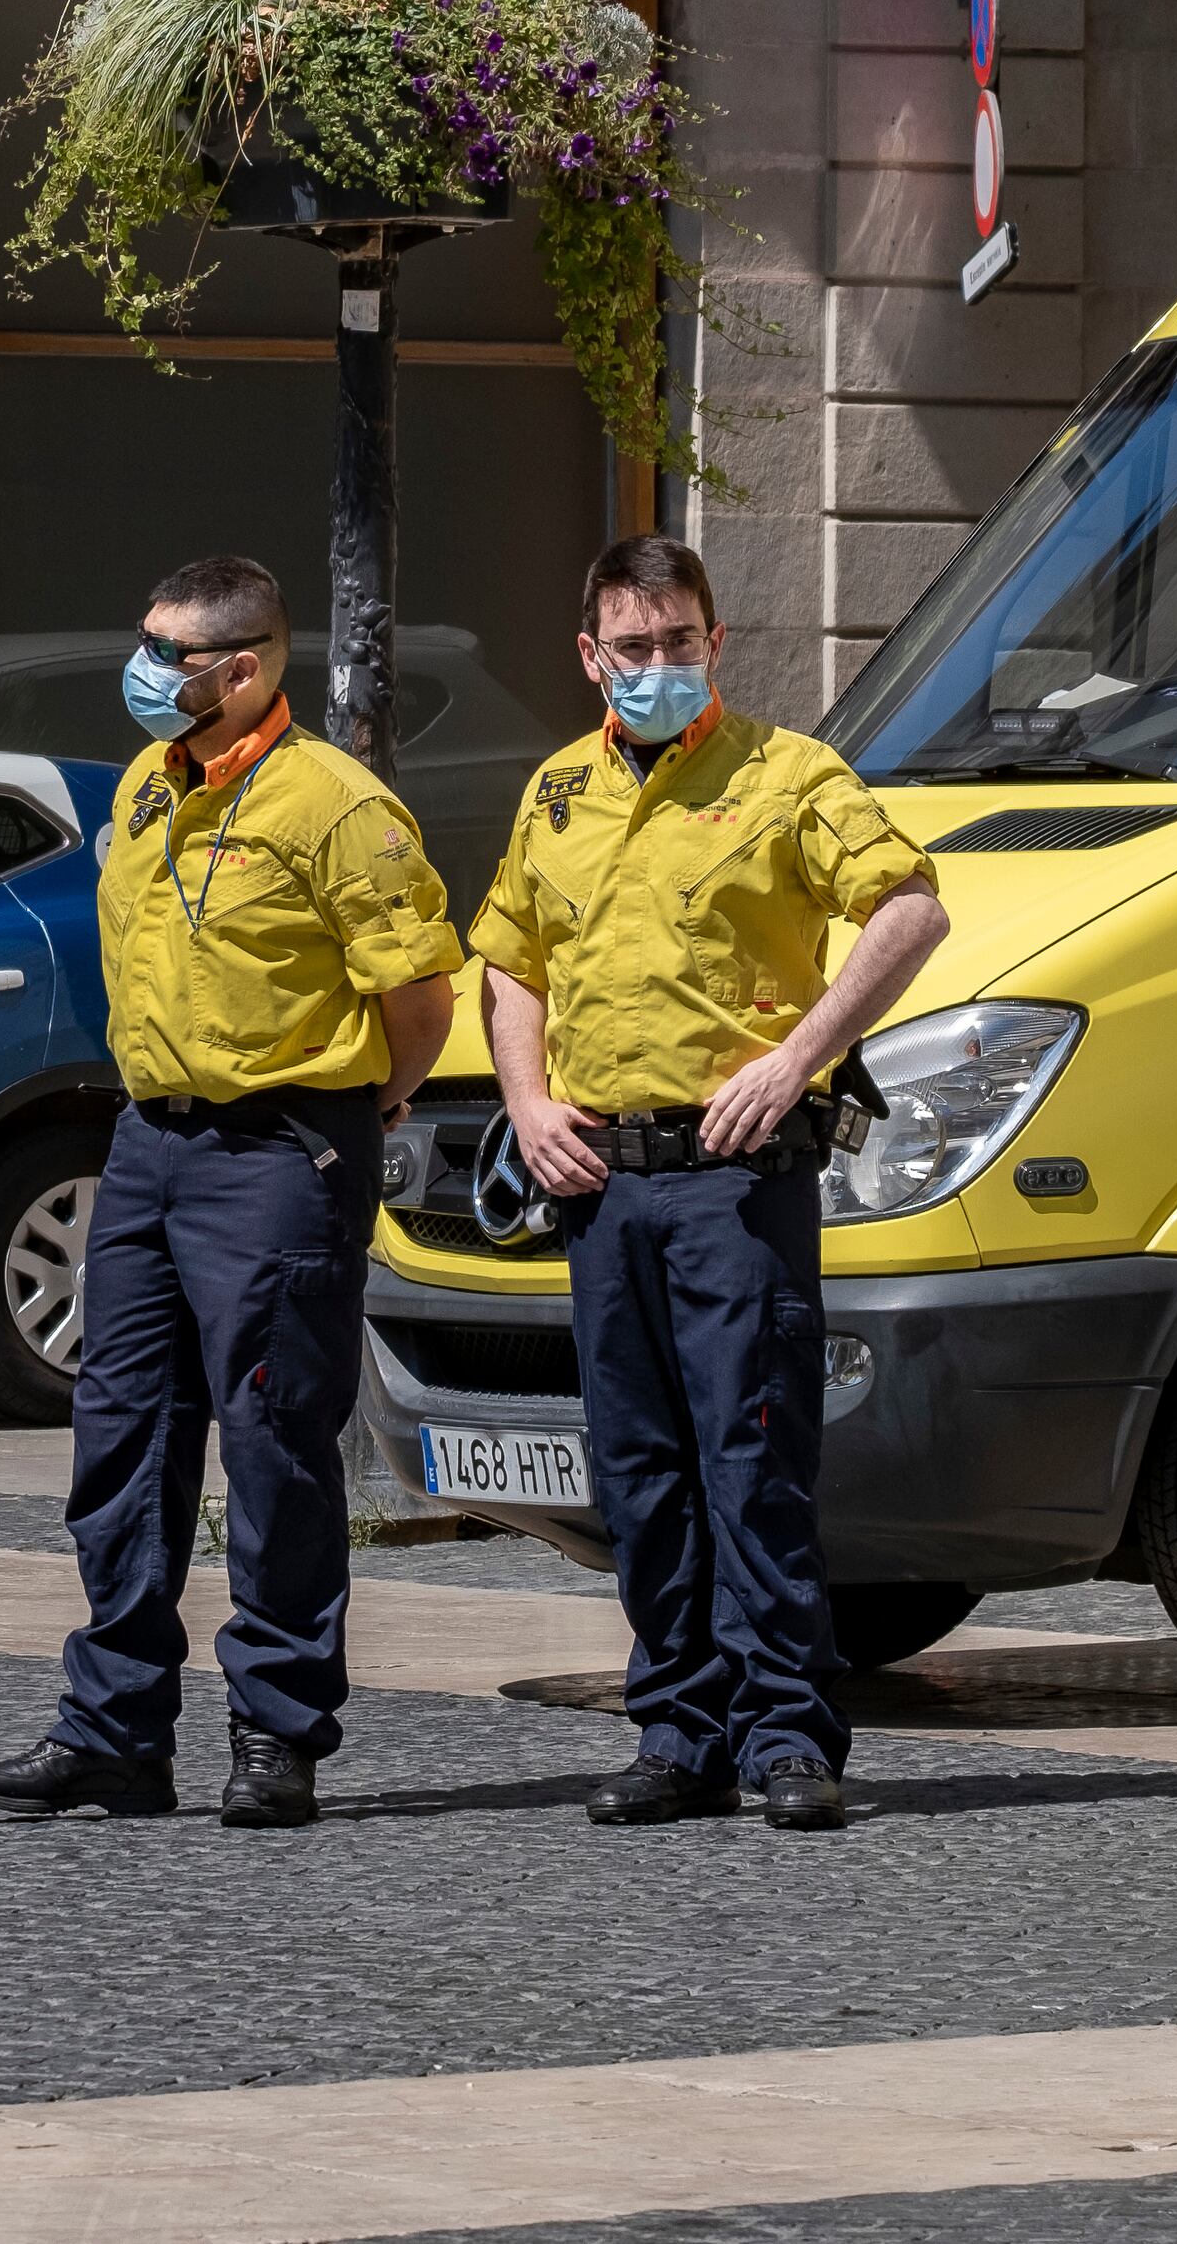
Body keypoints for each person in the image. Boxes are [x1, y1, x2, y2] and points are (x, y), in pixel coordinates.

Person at [0, 553, 463, 1830]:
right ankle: (114, 1730)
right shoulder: (144, 788)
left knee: (273, 1442)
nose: (141, 672)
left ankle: (277, 1731)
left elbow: (417, 999)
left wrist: (368, 1104)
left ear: (242, 670)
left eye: (168, 653)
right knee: (122, 1439)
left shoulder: (336, 807)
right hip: (147, 1144)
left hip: (279, 1151)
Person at [477, 536, 948, 1833]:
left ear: (716, 641)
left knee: (753, 1459)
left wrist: (802, 1058)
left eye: (681, 640)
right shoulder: (558, 793)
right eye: (633, 647)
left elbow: (909, 905)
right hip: (604, 1186)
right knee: (637, 1470)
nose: (660, 665)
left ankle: (789, 1732)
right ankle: (677, 1729)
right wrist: (526, 1101)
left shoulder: (785, 776)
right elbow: (511, 959)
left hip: (734, 1181)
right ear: (591, 657)